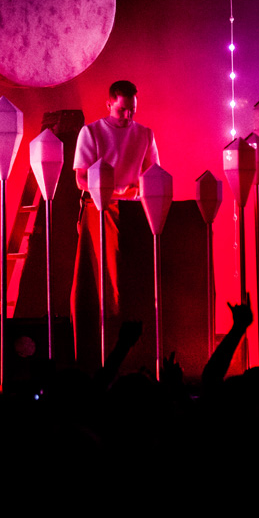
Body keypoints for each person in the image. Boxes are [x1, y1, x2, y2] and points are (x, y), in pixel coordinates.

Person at [71, 80, 159, 369]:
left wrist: (134, 191)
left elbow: (152, 173)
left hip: (134, 213)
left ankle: (135, 355)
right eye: (122, 110)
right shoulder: (92, 132)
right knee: (105, 283)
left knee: (133, 284)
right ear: (109, 104)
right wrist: (111, 191)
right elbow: (80, 178)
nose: (127, 116)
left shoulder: (144, 134)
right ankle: (102, 355)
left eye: (132, 110)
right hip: (100, 209)